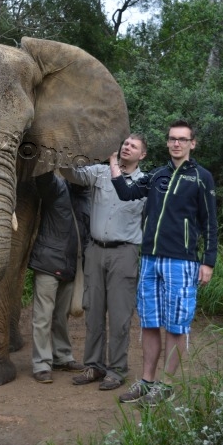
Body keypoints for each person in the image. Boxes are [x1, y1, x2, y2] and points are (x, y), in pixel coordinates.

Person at [109, 119, 218, 407]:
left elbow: (210, 222)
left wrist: (208, 262)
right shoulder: (158, 174)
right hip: (150, 260)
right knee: (149, 323)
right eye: (172, 139)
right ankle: (147, 382)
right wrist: (113, 165)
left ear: (192, 143)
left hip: (181, 262)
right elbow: (127, 193)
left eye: (182, 139)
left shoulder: (202, 177)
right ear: (167, 142)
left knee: (175, 326)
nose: (176, 143)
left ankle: (166, 385)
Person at [60, 134, 147, 390]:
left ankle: (116, 370)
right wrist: (63, 150)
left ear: (142, 155)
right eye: (125, 143)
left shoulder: (145, 183)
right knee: (93, 312)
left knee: (120, 315)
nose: (127, 147)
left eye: (133, 146)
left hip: (124, 253)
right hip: (95, 250)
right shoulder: (100, 172)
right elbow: (71, 174)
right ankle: (94, 366)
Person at [29, 171, 90, 383]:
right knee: (43, 317)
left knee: (61, 316)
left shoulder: (88, 195)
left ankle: (62, 357)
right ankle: (41, 364)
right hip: (48, 262)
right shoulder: (57, 187)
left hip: (71, 265)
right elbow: (43, 178)